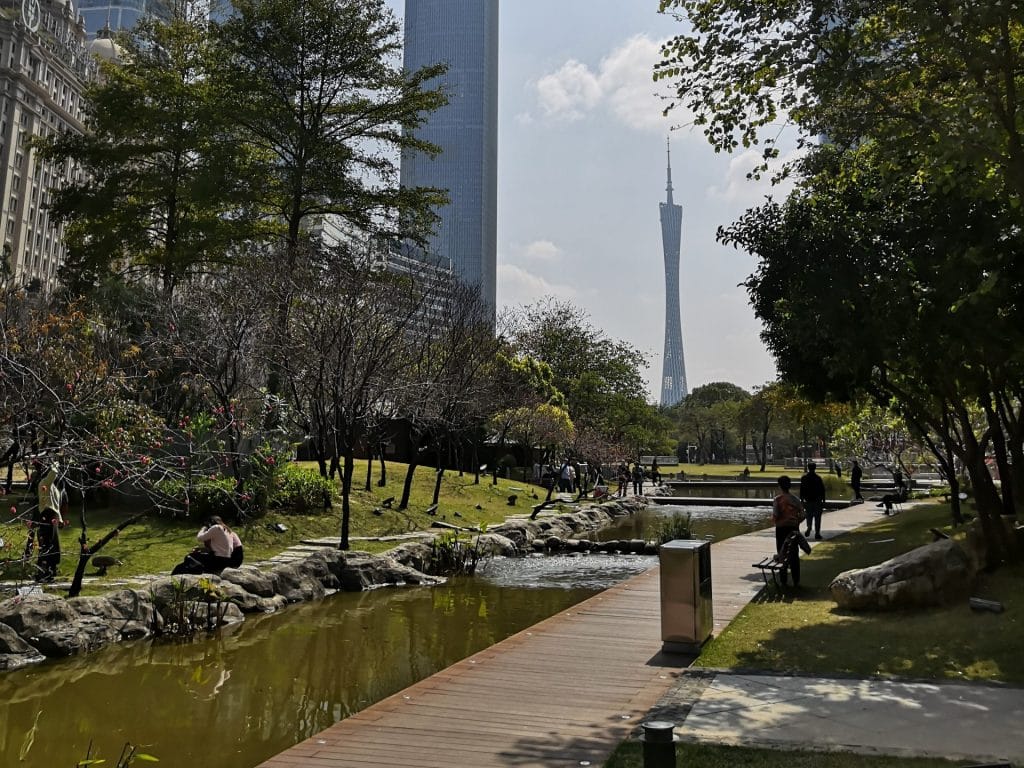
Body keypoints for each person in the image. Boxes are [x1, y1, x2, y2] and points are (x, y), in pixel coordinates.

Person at [772, 476, 805, 588]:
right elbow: (803, 514)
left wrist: (776, 521)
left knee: (782, 552)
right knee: (794, 553)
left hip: (781, 529)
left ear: (780, 485)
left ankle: (783, 580)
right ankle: (796, 580)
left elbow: (776, 515)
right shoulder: (795, 499)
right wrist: (797, 522)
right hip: (793, 529)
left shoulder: (777, 500)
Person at [799, 462, 827, 540]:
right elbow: (822, 490)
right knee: (818, 517)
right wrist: (824, 500)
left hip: (808, 500)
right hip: (817, 500)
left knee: (809, 515)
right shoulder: (818, 478)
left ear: (808, 468)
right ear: (815, 468)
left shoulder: (804, 478)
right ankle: (817, 533)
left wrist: (801, 500)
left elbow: (802, 489)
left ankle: (809, 527)